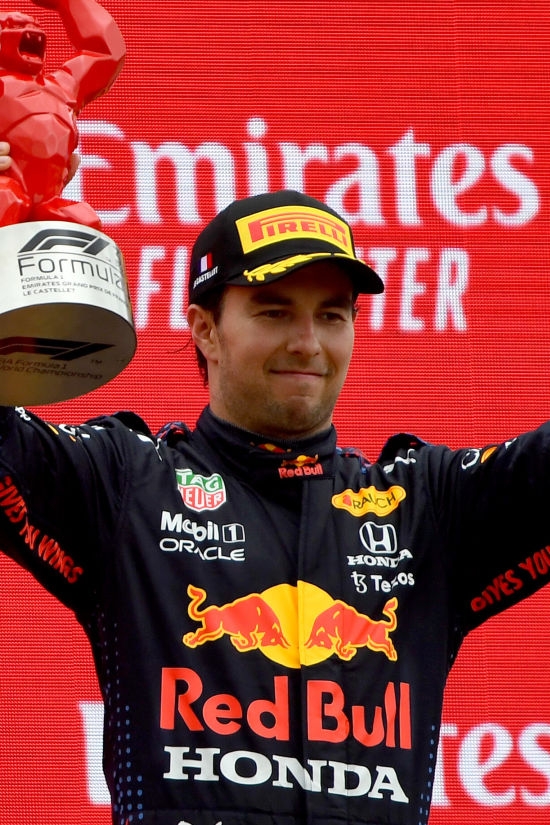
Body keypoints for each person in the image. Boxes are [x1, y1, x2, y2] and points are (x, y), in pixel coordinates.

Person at [0, 170, 550, 825]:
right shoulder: (125, 483)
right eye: (274, 311)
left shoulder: (424, 507)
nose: (307, 343)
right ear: (205, 329)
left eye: (332, 314)